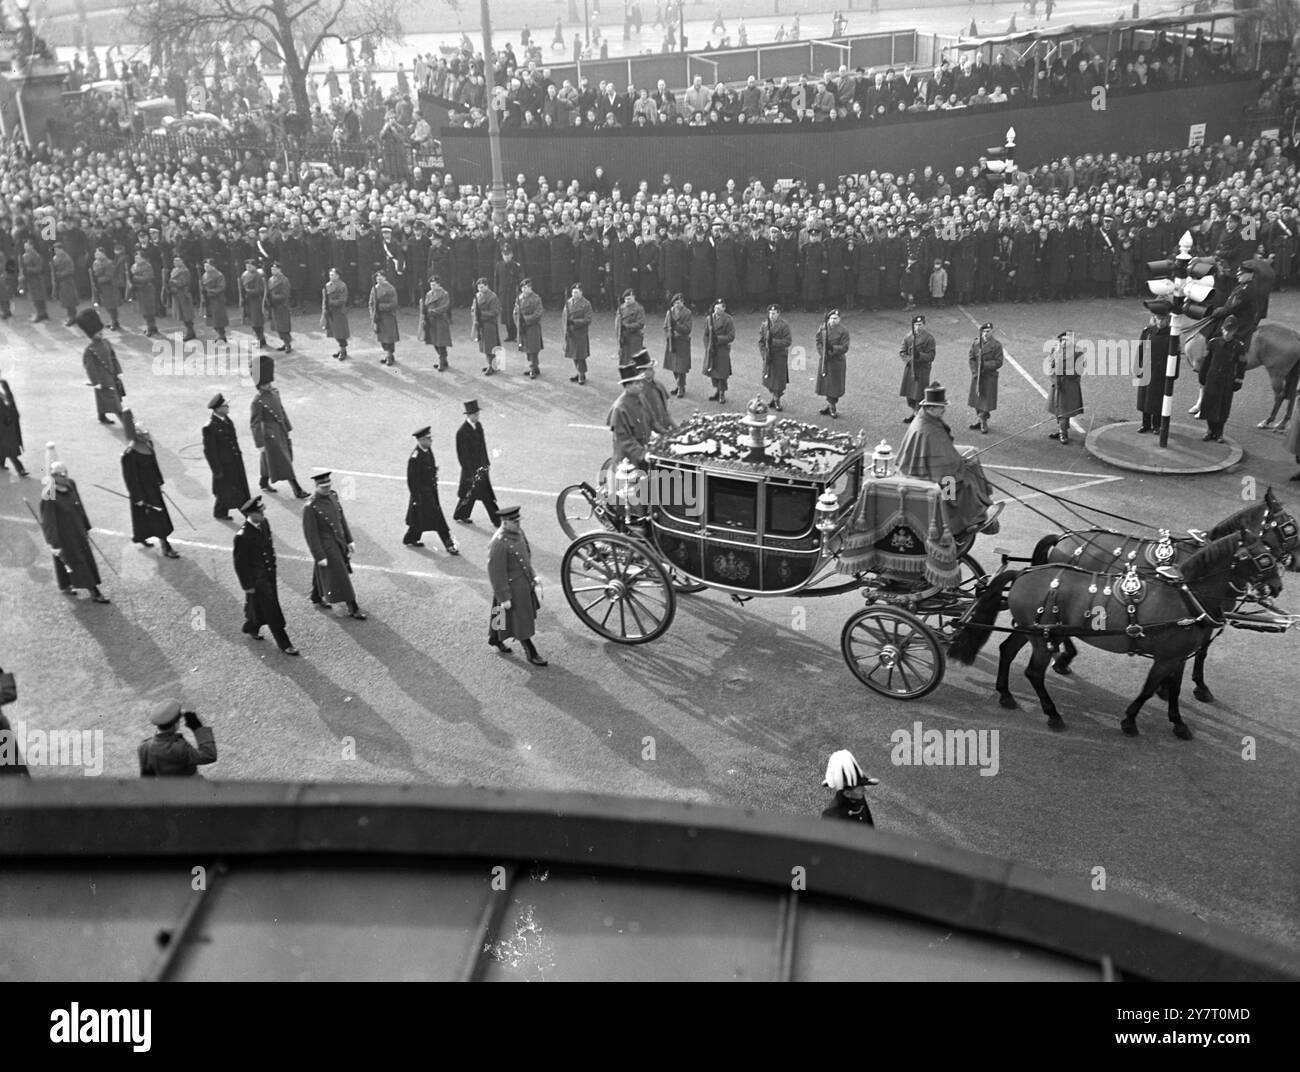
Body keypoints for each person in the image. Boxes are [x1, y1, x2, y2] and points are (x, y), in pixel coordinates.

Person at [895, 382, 999, 538]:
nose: (944, 410)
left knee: (972, 452)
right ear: (930, 408)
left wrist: (959, 459)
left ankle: (983, 503)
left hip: (928, 465)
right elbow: (944, 468)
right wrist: (961, 464)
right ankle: (964, 517)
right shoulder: (927, 430)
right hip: (929, 475)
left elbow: (942, 452)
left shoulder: (927, 418)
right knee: (964, 482)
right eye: (941, 407)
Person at [39, 443, 109, 602]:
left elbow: (79, 506)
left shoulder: (71, 484)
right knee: (77, 560)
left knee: (77, 559)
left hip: (78, 530)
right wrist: (54, 543)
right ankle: (94, 591)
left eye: (65, 473)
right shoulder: (49, 495)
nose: (65, 477)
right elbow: (48, 522)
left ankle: (65, 584)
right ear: (54, 477)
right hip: (64, 536)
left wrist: (86, 525)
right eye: (61, 475)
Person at [233, 495, 299, 655]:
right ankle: (284, 643)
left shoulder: (264, 523)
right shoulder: (243, 536)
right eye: (259, 512)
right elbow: (240, 564)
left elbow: (268, 548)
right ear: (250, 514)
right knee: (272, 608)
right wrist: (247, 586)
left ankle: (251, 626)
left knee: (259, 605)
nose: (263, 514)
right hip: (257, 580)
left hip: (269, 574)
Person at [487, 505, 548, 665]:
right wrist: (504, 596)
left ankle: (495, 637)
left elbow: (526, 556)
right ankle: (531, 652)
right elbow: (496, 573)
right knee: (520, 621)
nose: (518, 524)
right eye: (515, 522)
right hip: (511, 589)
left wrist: (533, 575)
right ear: (505, 523)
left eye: (518, 521)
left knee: (500, 613)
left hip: (523, 584)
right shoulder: (499, 543)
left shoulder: (519, 533)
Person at [303, 471, 367, 619]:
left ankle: (315, 596)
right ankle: (353, 607)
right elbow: (311, 535)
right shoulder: (310, 507)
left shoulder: (333, 495)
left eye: (328, 486)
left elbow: (341, 519)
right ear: (316, 486)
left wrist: (349, 539)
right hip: (327, 547)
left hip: (339, 541)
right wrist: (319, 555)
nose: (327, 489)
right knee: (341, 575)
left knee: (322, 570)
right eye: (323, 487)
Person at [120, 409, 181, 559]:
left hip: (153, 488)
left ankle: (141, 536)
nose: (147, 436)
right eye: (144, 434)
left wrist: (159, 481)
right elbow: (130, 479)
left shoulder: (148, 445)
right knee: (157, 518)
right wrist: (138, 497)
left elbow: (154, 465)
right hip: (142, 491)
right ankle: (166, 546)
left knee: (147, 517)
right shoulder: (130, 455)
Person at [250, 356, 309, 498]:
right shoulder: (257, 401)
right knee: (285, 461)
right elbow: (255, 424)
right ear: (259, 385)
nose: (268, 385)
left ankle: (263, 481)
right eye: (265, 384)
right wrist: (259, 443)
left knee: (268, 458)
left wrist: (287, 426)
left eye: (269, 382)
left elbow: (281, 410)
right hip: (270, 435)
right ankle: (297, 489)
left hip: (280, 430)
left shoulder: (275, 392)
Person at [404, 425, 459, 554]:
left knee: (419, 519)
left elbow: (429, 467)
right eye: (428, 438)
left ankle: (410, 538)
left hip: (431, 492)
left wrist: (434, 471)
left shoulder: (427, 450)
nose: (431, 440)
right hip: (422, 495)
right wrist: (416, 499)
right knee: (438, 519)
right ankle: (449, 545)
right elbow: (412, 481)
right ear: (421, 440)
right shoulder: (415, 457)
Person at [202, 393, 250, 520]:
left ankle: (220, 512)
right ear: (218, 409)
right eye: (225, 406)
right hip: (224, 466)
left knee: (226, 490)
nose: (228, 407)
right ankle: (250, 516)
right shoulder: (210, 427)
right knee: (236, 492)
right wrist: (217, 471)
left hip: (234, 462)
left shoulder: (227, 421)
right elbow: (210, 452)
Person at [138, 700, 217, 777]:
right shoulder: (180, 747)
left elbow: (146, 777)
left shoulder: (144, 747)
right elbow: (209, 755)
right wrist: (197, 727)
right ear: (176, 724)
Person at [1199, 315, 1245, 443]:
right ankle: (1209, 430)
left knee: (1222, 408)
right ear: (1222, 329)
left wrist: (1238, 381)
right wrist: (1202, 376)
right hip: (1212, 380)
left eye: (1230, 331)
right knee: (1209, 404)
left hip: (1226, 381)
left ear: (1234, 332)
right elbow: (1206, 362)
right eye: (1225, 330)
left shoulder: (1238, 346)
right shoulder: (1213, 343)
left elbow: (1241, 365)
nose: (1227, 333)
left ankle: (1219, 433)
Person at [453, 399, 500, 525]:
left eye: (477, 414)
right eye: (475, 415)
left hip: (481, 468)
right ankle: (497, 520)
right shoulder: (462, 432)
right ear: (469, 415)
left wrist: (486, 463)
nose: (477, 417)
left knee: (471, 494)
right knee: (486, 496)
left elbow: (483, 447)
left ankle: (460, 514)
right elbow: (462, 456)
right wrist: (470, 472)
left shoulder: (478, 426)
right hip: (472, 471)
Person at [78, 309, 124, 426]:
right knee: (114, 401)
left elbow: (113, 357)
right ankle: (127, 423)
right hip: (102, 379)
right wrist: (95, 382)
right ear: (91, 335)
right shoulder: (90, 350)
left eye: (100, 332)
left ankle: (101, 416)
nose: (101, 334)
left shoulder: (106, 343)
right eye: (97, 333)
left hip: (111, 375)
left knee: (104, 397)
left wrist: (118, 371)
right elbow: (90, 368)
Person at [1136, 301, 1173, 433]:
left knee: (1157, 400)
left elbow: (1175, 356)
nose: (1160, 322)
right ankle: (1145, 424)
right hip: (1147, 370)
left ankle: (1156, 425)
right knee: (1144, 398)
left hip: (1160, 372)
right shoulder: (1148, 332)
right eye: (1158, 319)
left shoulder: (1171, 336)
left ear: (1168, 320)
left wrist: (1173, 374)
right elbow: (1140, 350)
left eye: (1163, 319)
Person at [608, 362, 652, 468]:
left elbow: (651, 419)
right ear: (628, 386)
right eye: (637, 383)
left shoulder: (640, 398)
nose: (641, 385)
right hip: (627, 460)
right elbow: (624, 439)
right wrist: (643, 454)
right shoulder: (619, 409)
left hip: (642, 452)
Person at [821, 749, 879, 825]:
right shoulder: (830, 816)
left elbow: (868, 822)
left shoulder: (858, 797)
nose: (864, 790)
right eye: (859, 789)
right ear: (847, 793)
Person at [1046, 331, 1084, 444]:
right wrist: (1054, 379)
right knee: (1059, 409)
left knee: (1064, 411)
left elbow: (1078, 370)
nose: (1064, 342)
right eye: (1062, 340)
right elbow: (1050, 365)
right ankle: (1062, 430)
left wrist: (1062, 372)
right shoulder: (1055, 350)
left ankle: (1063, 432)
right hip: (1057, 384)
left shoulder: (1078, 353)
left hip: (1069, 386)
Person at [968, 321, 1003, 433]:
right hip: (978, 376)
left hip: (989, 376)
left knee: (986, 401)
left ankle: (983, 420)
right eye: (984, 331)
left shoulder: (996, 345)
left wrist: (985, 365)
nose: (986, 334)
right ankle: (980, 419)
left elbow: (999, 362)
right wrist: (975, 372)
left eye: (988, 331)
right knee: (977, 400)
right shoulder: (976, 343)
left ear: (992, 332)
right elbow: (971, 358)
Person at [899, 313, 935, 423]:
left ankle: (918, 415)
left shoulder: (929, 338)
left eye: (920, 324)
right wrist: (910, 360)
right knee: (909, 393)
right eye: (916, 324)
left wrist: (919, 356)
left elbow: (931, 356)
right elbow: (902, 352)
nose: (918, 327)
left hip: (922, 370)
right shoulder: (908, 337)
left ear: (924, 325)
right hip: (910, 369)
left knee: (919, 394)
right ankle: (914, 412)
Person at [815, 309, 849, 419]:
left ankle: (832, 407)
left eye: (836, 318)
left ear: (839, 319)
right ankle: (830, 406)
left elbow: (845, 347)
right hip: (825, 360)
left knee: (834, 386)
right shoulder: (823, 328)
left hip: (836, 361)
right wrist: (822, 353)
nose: (833, 320)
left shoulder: (843, 331)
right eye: (831, 318)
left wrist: (832, 349)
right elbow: (818, 341)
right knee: (826, 384)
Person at [759, 304, 792, 411]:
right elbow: (761, 341)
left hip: (779, 356)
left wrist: (773, 342)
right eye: (770, 313)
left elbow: (787, 341)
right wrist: (764, 354)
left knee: (778, 380)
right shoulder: (765, 325)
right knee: (768, 379)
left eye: (773, 313)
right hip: (768, 356)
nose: (771, 315)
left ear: (778, 314)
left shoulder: (784, 326)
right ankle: (774, 397)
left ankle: (777, 399)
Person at [632, 348, 674, 433]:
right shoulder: (639, 391)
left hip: (664, 428)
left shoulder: (659, 385)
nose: (653, 372)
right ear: (641, 372)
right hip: (650, 432)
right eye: (650, 369)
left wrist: (674, 426)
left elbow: (665, 410)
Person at [704, 297, 735, 403]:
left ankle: (722, 393)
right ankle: (717, 390)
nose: (717, 310)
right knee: (712, 371)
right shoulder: (709, 319)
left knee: (722, 373)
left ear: (724, 308)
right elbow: (706, 334)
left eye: (719, 308)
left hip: (722, 349)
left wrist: (718, 339)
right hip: (711, 349)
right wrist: (707, 346)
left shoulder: (728, 320)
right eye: (715, 308)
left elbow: (731, 336)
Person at [663, 292, 693, 397]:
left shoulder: (687, 313)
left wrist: (677, 326)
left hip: (682, 341)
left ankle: (680, 387)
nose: (677, 304)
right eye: (675, 303)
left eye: (679, 302)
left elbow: (688, 329)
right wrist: (668, 336)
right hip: (672, 341)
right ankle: (679, 384)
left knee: (681, 367)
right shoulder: (669, 312)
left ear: (683, 302)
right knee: (673, 365)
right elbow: (665, 327)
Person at [419, 275, 452, 370]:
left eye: (434, 285)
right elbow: (426, 305)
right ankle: (444, 360)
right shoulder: (429, 294)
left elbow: (445, 307)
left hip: (441, 320)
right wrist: (424, 311)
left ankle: (441, 361)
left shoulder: (444, 294)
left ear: (439, 285)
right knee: (434, 341)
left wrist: (432, 312)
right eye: (431, 285)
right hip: (431, 321)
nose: (432, 287)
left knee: (441, 342)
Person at [563, 281, 593, 384]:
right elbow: (564, 316)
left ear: (581, 292)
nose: (574, 294)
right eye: (573, 292)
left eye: (576, 292)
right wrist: (566, 327)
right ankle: (579, 372)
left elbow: (588, 319)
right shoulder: (568, 302)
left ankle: (581, 374)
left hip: (580, 333)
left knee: (580, 355)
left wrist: (574, 322)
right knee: (574, 354)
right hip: (571, 332)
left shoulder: (586, 304)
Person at [471, 277, 502, 375]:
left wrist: (482, 314)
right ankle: (491, 364)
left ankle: (492, 366)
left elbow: (495, 311)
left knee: (490, 346)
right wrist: (475, 318)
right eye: (479, 287)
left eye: (482, 287)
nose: (480, 289)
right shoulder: (477, 296)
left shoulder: (492, 297)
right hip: (480, 324)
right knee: (484, 346)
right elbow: (473, 309)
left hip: (489, 324)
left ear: (487, 286)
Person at [515, 277, 545, 377]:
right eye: (523, 287)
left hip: (533, 327)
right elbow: (515, 312)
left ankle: (533, 367)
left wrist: (526, 319)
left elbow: (538, 313)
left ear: (531, 288)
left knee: (533, 349)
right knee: (527, 348)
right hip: (523, 327)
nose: (524, 289)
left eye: (527, 287)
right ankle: (535, 367)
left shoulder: (536, 298)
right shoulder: (519, 298)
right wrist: (518, 323)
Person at [370, 268, 400, 365]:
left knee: (389, 337)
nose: (378, 279)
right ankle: (388, 355)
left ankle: (389, 356)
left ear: (385, 278)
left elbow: (394, 304)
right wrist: (373, 314)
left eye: (381, 277)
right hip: (378, 317)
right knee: (382, 338)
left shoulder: (390, 288)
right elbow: (371, 303)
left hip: (388, 316)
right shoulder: (374, 288)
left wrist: (381, 307)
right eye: (377, 277)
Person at [91, 247, 123, 331]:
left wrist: (99, 280)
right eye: (95, 253)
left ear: (103, 254)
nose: (96, 255)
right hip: (101, 287)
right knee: (106, 305)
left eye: (98, 254)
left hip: (109, 287)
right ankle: (114, 321)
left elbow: (109, 276)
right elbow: (95, 273)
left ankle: (114, 321)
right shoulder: (96, 263)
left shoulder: (108, 263)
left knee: (111, 305)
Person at [322, 266, 350, 361]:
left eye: (333, 275)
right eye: (330, 275)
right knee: (335, 332)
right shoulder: (327, 285)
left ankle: (343, 351)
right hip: (330, 312)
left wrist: (331, 302)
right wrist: (325, 309)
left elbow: (343, 299)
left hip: (339, 312)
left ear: (338, 276)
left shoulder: (342, 286)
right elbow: (324, 299)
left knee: (340, 333)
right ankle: (341, 350)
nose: (331, 276)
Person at [130, 249, 160, 337]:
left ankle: (151, 327)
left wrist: (135, 278)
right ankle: (151, 326)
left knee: (149, 310)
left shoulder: (147, 266)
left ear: (143, 258)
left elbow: (147, 278)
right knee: (143, 310)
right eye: (135, 257)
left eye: (138, 257)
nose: (136, 259)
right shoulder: (134, 266)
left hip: (147, 290)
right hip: (139, 290)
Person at [0, 373, 26, 476]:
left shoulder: (4, 385)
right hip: (3, 425)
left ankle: (1, 464)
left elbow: (11, 402)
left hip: (10, 423)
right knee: (9, 447)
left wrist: (15, 415)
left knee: (5, 446)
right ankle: (20, 469)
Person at [240, 259, 269, 349]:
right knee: (251, 320)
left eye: (250, 265)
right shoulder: (244, 275)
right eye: (247, 265)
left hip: (256, 301)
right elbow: (242, 287)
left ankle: (260, 339)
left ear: (255, 266)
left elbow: (260, 289)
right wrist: (242, 296)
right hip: (247, 301)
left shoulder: (258, 275)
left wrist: (248, 291)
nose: (248, 267)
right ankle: (261, 338)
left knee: (257, 321)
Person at [265, 261, 293, 352]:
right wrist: (268, 299)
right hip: (274, 306)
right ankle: (284, 343)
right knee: (278, 326)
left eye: (275, 269)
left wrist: (273, 297)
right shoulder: (270, 280)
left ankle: (288, 344)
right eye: (272, 269)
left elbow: (285, 294)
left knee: (284, 326)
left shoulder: (284, 280)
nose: (273, 271)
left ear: (280, 270)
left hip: (282, 306)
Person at [200, 257, 229, 343]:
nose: (205, 268)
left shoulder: (219, 275)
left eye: (207, 266)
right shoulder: (204, 275)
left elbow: (221, 287)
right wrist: (203, 292)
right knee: (212, 318)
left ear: (212, 266)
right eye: (205, 266)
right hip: (209, 300)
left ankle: (222, 335)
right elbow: (203, 286)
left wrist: (210, 291)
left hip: (217, 300)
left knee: (218, 318)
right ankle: (219, 334)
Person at [20, 240, 50, 322]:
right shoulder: (24, 256)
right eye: (24, 246)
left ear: (32, 246)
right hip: (29, 280)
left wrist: (29, 270)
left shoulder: (36, 256)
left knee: (38, 297)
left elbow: (39, 268)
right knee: (34, 297)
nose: (25, 247)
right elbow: (22, 267)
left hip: (36, 279)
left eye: (27, 246)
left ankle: (41, 314)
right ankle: (42, 313)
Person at [615, 288, 647, 363]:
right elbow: (617, 323)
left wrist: (627, 326)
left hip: (635, 337)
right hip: (624, 338)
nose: (627, 301)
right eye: (625, 299)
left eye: (629, 299)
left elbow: (641, 323)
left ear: (633, 297)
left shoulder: (639, 308)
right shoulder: (621, 308)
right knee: (623, 359)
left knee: (634, 359)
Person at [170, 255, 197, 340]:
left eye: (178, 260)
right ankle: (190, 331)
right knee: (182, 313)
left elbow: (183, 282)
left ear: (182, 261)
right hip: (177, 294)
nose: (175, 262)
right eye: (174, 260)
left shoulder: (184, 271)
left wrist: (172, 282)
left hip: (183, 294)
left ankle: (190, 332)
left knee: (186, 314)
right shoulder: (175, 270)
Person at [52, 242, 80, 325]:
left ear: (61, 249)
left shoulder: (67, 258)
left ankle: (72, 317)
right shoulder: (55, 258)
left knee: (69, 301)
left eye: (57, 250)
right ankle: (71, 316)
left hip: (67, 282)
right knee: (65, 301)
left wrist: (59, 274)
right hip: (60, 282)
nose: (55, 251)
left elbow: (70, 270)